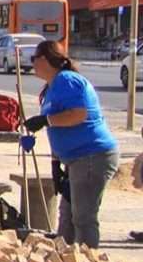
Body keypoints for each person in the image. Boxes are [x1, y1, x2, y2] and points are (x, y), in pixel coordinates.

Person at [23, 41, 118, 248]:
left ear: (45, 59)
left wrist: (46, 120)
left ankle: (88, 260)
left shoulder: (67, 80)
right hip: (75, 159)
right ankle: (64, 260)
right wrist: (55, 163)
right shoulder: (51, 87)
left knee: (83, 216)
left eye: (34, 59)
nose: (32, 64)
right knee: (67, 216)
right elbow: (57, 129)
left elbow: (78, 114)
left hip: (91, 155)